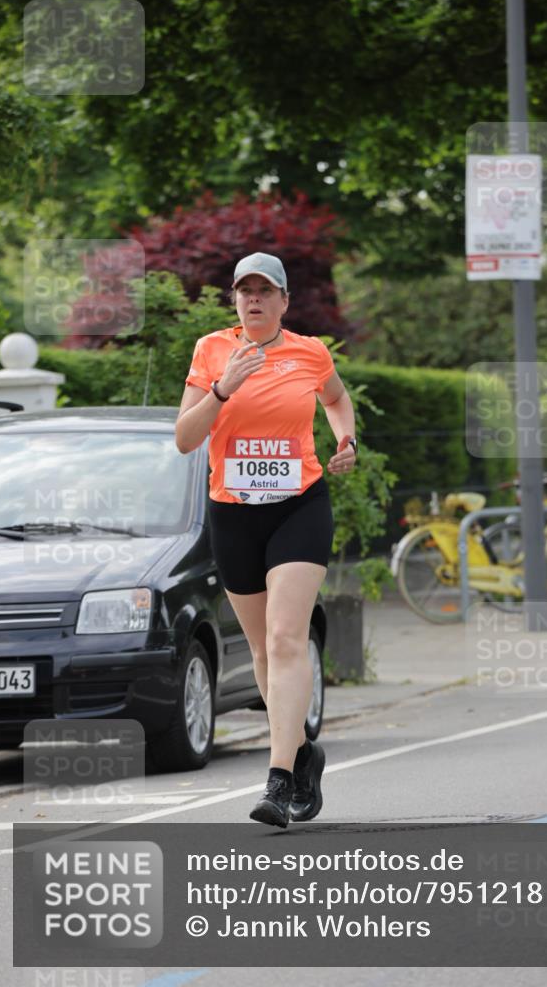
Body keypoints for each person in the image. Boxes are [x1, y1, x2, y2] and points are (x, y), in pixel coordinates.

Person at [175, 252, 357, 828]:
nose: (253, 298)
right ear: (235, 299)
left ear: (283, 301)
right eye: (243, 290)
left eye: (265, 290)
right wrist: (222, 390)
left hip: (299, 507)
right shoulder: (211, 352)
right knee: (260, 650)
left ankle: (278, 780)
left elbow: (335, 399)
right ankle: (304, 754)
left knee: (285, 638)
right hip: (233, 514)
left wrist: (345, 439)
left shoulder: (310, 352)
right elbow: (184, 439)